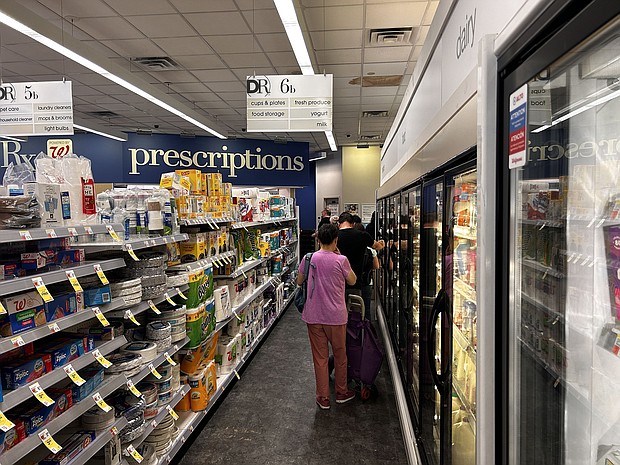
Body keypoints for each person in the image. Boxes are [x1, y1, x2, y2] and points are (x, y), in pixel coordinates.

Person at [297, 223, 357, 410]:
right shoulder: (341, 260)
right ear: (336, 239)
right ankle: (341, 392)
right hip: (336, 317)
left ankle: (323, 397)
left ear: (318, 239)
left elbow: (299, 281)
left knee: (320, 358)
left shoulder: (309, 259)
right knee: (340, 355)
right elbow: (353, 281)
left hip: (313, 316)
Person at [337, 212, 384, 303]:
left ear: (339, 224)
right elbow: (377, 246)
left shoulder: (334, 236)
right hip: (356, 281)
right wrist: (382, 243)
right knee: (355, 313)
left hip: (337, 283)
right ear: (353, 224)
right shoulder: (363, 235)